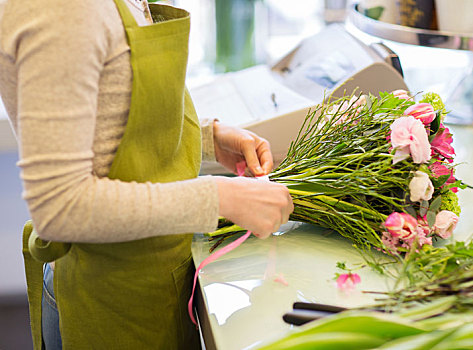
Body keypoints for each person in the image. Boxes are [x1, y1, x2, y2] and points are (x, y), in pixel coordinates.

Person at [0, 0, 294, 349]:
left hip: (154, 284)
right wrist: (219, 197)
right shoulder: (63, 10)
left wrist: (205, 140)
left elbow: (110, 106)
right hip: (109, 306)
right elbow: (61, 208)